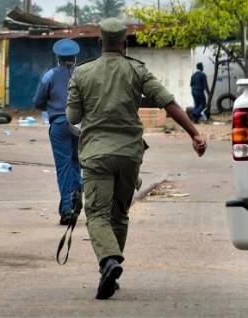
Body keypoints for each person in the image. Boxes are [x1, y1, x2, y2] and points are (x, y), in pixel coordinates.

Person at [67, 18, 207, 300]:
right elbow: (169, 103)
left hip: (96, 154)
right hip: (129, 155)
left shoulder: (82, 73)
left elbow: (73, 117)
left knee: (97, 214)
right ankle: (110, 270)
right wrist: (195, 134)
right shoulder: (137, 70)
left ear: (100, 42)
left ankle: (108, 261)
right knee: (119, 213)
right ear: (125, 44)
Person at [33, 38, 83, 225]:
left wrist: (51, 105)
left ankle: (67, 209)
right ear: (75, 58)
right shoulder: (83, 74)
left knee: (63, 167)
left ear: (58, 58)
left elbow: (38, 101)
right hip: (80, 125)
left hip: (59, 124)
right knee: (76, 162)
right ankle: (77, 190)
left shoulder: (50, 75)